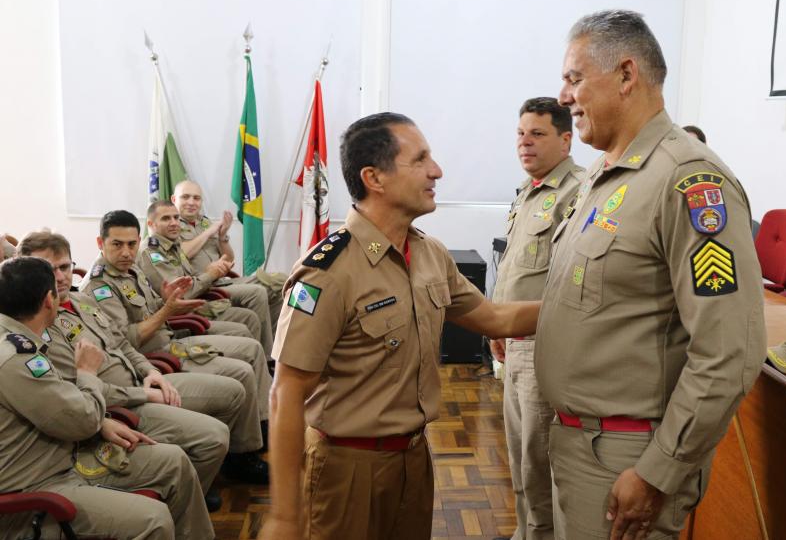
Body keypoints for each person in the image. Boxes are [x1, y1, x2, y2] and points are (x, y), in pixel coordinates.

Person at [537, 10, 766, 539]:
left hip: (628, 458)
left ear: (626, 74)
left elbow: (729, 352)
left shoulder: (689, 182)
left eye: (574, 78)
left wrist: (659, 470)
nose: (564, 97)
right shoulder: (606, 175)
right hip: (579, 443)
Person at [259, 113, 541, 540]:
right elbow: (286, 392)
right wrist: (284, 516)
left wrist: (581, 305)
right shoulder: (327, 272)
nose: (437, 170)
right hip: (346, 469)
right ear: (375, 178)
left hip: (414, 460)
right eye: (420, 159)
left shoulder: (430, 254)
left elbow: (496, 318)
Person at [20, 230, 237, 509]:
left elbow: (121, 343)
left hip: (139, 384)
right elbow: (73, 393)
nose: (60, 277)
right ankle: (182, 502)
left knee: (226, 406)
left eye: (65, 267)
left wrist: (150, 372)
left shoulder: (82, 301)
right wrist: (143, 394)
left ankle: (187, 494)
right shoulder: (38, 327)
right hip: (115, 407)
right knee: (212, 437)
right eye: (50, 270)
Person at [0, 256, 213, 540]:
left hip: (66, 450)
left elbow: (60, 404)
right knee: (154, 519)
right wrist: (87, 373)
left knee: (174, 462)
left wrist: (100, 421)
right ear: (49, 300)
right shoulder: (17, 358)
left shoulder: (20, 339)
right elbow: (82, 419)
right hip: (36, 486)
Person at [79, 210, 271, 483]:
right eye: (117, 244)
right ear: (101, 243)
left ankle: (245, 443)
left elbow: (150, 311)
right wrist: (167, 310)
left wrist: (166, 301)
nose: (126, 252)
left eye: (132, 244)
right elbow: (128, 341)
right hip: (154, 357)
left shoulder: (130, 269)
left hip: (168, 341)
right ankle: (240, 455)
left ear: (139, 240)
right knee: (240, 372)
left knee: (248, 350)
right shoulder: (99, 286)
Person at [490, 97, 584, 540]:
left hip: (544, 347)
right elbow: (515, 268)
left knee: (539, 458)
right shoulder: (530, 190)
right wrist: (496, 324)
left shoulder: (578, 193)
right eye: (520, 134)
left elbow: (574, 281)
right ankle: (525, 532)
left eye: (537, 134)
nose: (524, 143)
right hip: (513, 343)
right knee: (518, 455)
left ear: (566, 140)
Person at [140, 200, 274, 357]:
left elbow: (191, 279)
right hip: (182, 315)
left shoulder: (173, 245)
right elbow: (181, 294)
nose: (174, 223)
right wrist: (210, 274)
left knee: (251, 315)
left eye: (176, 217)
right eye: (166, 218)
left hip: (199, 300)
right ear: (151, 224)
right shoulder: (151, 252)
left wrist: (214, 269)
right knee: (246, 322)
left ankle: (265, 362)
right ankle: (252, 362)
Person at [172, 179, 285, 329]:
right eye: (185, 197)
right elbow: (183, 253)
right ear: (174, 199)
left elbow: (229, 259)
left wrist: (222, 237)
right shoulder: (170, 225)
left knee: (280, 283)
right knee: (258, 292)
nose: (191, 202)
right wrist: (209, 232)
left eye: (196, 198)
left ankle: (273, 337)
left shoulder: (204, 222)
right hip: (201, 287)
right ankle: (264, 342)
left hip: (221, 281)